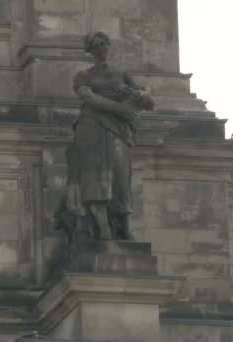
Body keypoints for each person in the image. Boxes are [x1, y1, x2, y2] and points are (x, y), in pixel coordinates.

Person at [64, 31, 154, 241]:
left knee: (121, 177)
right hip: (92, 127)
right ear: (90, 50)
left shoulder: (122, 74)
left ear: (108, 46)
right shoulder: (83, 75)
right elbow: (88, 97)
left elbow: (149, 103)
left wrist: (135, 95)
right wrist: (119, 108)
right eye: (96, 45)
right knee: (96, 176)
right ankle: (102, 227)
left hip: (119, 129)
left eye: (104, 44)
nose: (101, 48)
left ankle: (123, 225)